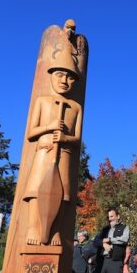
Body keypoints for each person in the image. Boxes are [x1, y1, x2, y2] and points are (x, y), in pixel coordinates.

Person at [24, 50, 83, 246]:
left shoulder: (76, 107)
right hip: (43, 151)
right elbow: (31, 132)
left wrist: (66, 136)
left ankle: (56, 230)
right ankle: (34, 227)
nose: (65, 80)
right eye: (60, 74)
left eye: (69, 77)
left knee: (64, 194)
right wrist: (49, 127)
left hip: (64, 154)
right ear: (51, 75)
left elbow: (77, 138)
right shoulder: (42, 101)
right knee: (35, 190)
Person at [100, 208, 130, 273]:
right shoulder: (105, 229)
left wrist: (109, 239)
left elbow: (124, 239)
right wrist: (103, 244)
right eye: (108, 217)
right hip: (104, 260)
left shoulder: (124, 227)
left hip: (116, 261)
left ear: (118, 216)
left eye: (112, 216)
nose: (110, 219)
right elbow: (97, 240)